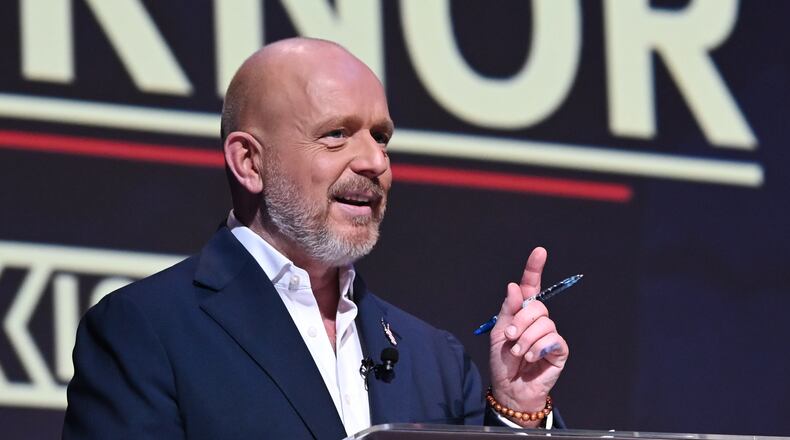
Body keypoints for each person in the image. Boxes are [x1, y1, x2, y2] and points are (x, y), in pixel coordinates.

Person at [63, 37, 569, 439]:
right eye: (336, 134)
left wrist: (517, 411)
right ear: (250, 162)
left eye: (381, 137)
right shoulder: (146, 330)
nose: (375, 161)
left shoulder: (432, 357)